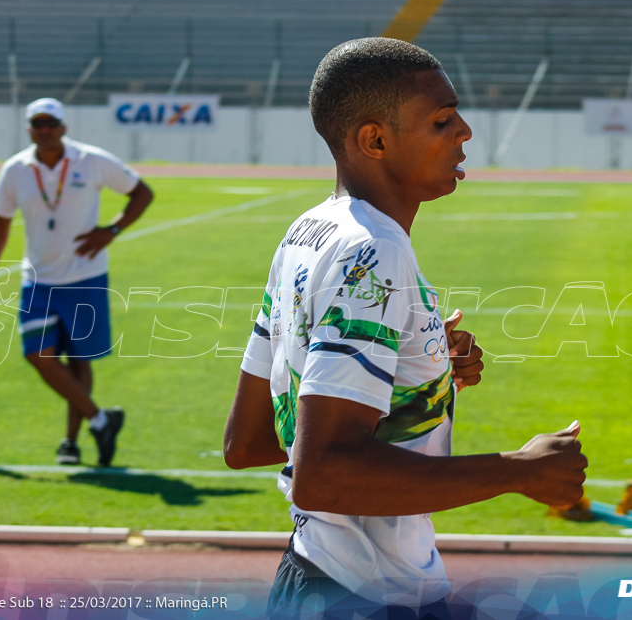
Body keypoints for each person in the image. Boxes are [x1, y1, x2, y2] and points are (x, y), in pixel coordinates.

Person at [223, 38, 587, 619]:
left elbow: (251, 442)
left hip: (324, 577)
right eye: (442, 120)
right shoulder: (375, 250)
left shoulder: (309, 231)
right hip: (364, 595)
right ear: (375, 140)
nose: (465, 130)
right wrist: (521, 471)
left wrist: (420, 373)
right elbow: (322, 475)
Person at [0, 97, 154, 466]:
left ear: (63, 127)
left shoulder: (90, 160)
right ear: (29, 129)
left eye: (50, 123)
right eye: (37, 123)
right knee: (37, 355)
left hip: (85, 277)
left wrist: (113, 229)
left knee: (78, 360)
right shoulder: (15, 170)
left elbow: (142, 192)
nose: (44, 129)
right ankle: (102, 419)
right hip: (38, 279)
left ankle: (71, 444)